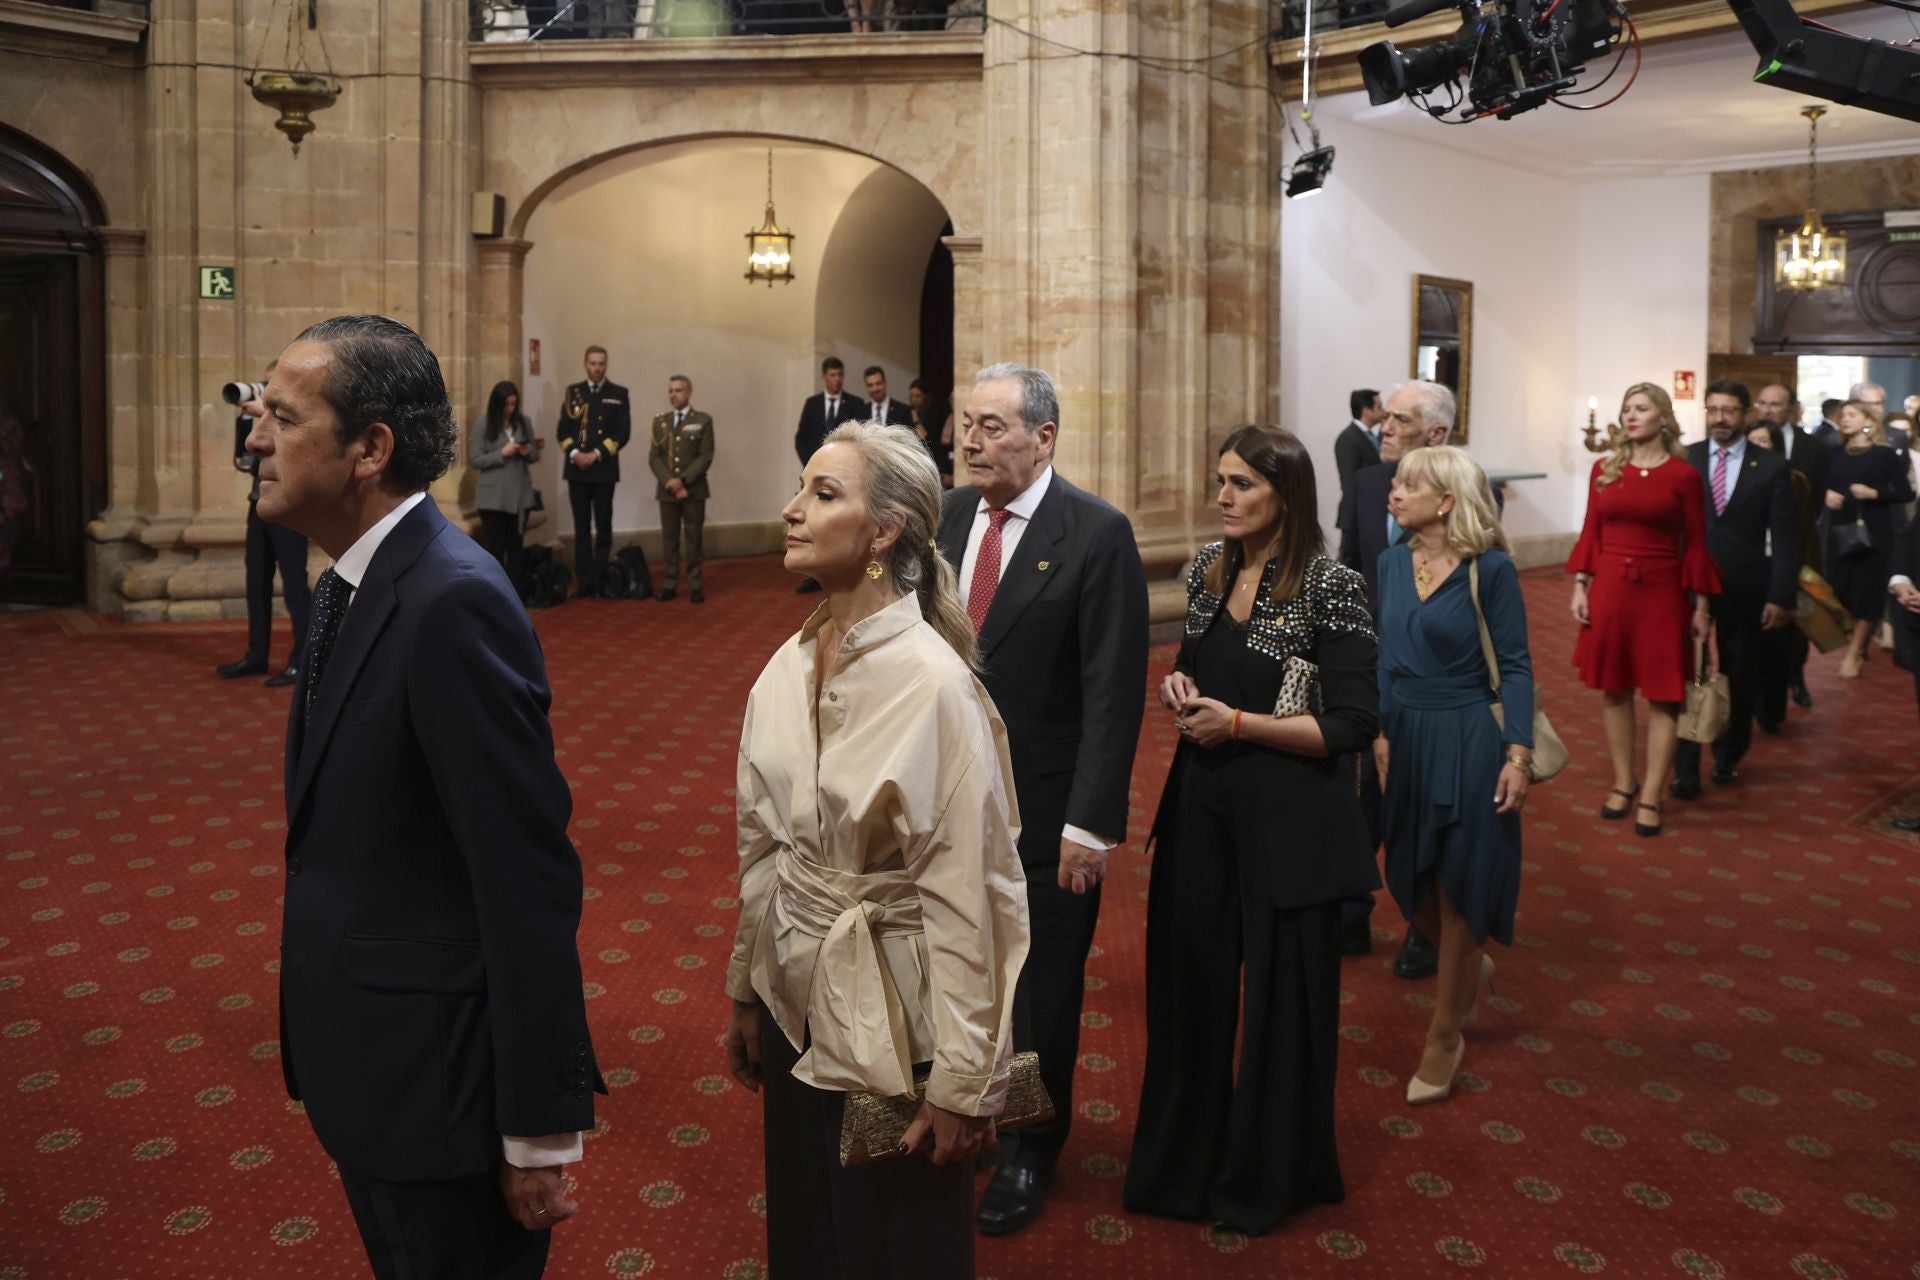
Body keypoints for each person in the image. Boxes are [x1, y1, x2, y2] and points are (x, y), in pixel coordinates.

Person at [250, 315, 601, 1280]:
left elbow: (526, 875)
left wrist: (538, 1125)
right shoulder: (346, 586)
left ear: (370, 450)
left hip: (442, 1091)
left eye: (281, 416)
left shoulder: (452, 600)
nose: (253, 436)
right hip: (375, 1063)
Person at [723, 420, 1029, 1280]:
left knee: (892, 1248)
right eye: (800, 488)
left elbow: (980, 896)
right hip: (795, 1000)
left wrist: (967, 1081)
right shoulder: (788, 662)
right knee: (813, 1235)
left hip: (899, 1023)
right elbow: (761, 849)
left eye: (824, 494)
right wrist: (747, 988)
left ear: (885, 530)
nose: (792, 511)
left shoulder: (935, 686)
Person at [1123, 424, 1378, 1235]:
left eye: (1242, 485)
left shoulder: (1330, 586)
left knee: (1282, 1004)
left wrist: (1236, 723)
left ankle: (1268, 1173)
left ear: (1286, 495)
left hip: (1292, 814)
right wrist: (1184, 692)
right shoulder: (1209, 568)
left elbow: (1350, 723)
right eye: (1220, 481)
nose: (1223, 497)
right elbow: (1194, 664)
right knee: (1189, 985)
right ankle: (1180, 1168)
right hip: (1202, 802)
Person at [935, 363, 1149, 1236]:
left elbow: (1113, 691)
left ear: (1044, 437)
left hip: (1046, 812)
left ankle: (1031, 1148)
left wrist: (1090, 825)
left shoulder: (1096, 534)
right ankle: (967, 1109)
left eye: (992, 427)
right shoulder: (947, 517)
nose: (972, 440)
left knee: (1041, 992)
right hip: (946, 803)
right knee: (959, 972)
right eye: (967, 425)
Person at [1376, 445, 1531, 1104]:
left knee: (1463, 880)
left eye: (1410, 483)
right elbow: (1382, 654)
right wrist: (1380, 731)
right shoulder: (1388, 562)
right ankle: (1469, 967)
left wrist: (1518, 755)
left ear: (1445, 501)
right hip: (1406, 735)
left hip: (1469, 734)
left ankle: (1445, 1034)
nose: (1395, 490)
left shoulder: (1489, 570)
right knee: (1407, 874)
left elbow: (1518, 664)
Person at [1337, 380, 1454, 979]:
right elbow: (1351, 571)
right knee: (1359, 795)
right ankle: (1353, 911)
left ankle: (1425, 926)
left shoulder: (1464, 490)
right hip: (1368, 666)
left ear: (1435, 434)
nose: (1384, 426)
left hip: (1435, 680)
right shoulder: (1365, 484)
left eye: (1400, 420)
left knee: (1422, 802)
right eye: (1385, 416)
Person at [1568, 383, 1720, 838]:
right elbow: (1591, 533)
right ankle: (1623, 782)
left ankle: (1652, 792)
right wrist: (1580, 584)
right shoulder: (1605, 469)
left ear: (1664, 417)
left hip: (1662, 590)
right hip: (1611, 587)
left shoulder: (1683, 476)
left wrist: (1702, 608)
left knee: (1664, 693)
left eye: (1641, 409)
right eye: (1626, 409)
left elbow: (1696, 543)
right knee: (1613, 687)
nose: (1631, 416)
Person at [1671, 381, 1796, 794]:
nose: (1720, 418)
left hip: (1746, 587)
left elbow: (1785, 537)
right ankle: (1685, 769)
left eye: (1728, 410)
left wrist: (1781, 595)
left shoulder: (1772, 466)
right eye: (1712, 410)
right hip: (1688, 587)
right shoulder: (1685, 458)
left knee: (1739, 677)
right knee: (1686, 676)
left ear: (1745, 413)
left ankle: (1728, 757)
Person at [219, 360, 311, 688]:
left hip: (288, 510)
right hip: (258, 506)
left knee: (294, 585)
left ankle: (303, 662)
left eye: (273, 384)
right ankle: (256, 654)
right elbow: (244, 462)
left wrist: (267, 415)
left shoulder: (294, 420)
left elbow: (294, 458)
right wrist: (246, 418)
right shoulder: (257, 419)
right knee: (255, 581)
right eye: (263, 384)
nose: (265, 389)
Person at [1751, 383, 1827, 718]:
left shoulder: (1810, 451)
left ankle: (1791, 680)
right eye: (1762, 403)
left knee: (1793, 631)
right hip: (1752, 561)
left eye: (1775, 404)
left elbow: (1813, 510)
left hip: (1793, 554)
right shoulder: (1741, 450)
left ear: (1792, 408)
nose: (1768, 409)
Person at [1825, 399, 1913, 678]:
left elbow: (1905, 492)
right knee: (1840, 590)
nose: (1845, 419)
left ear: (1869, 421)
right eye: (1843, 415)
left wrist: (1874, 493)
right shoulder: (1834, 452)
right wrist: (1825, 495)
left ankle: (1854, 652)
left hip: (1875, 533)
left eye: (1851, 414)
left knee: (1868, 593)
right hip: (1839, 531)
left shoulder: (1883, 455)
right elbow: (1820, 484)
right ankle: (1859, 641)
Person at [556, 344, 630, 598]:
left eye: (601, 363)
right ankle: (584, 580)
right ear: (585, 364)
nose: (597, 368)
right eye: (593, 363)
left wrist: (595, 454)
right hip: (578, 470)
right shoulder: (573, 392)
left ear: (606, 365)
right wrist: (577, 454)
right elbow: (562, 432)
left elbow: (622, 433)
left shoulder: (618, 393)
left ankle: (601, 580)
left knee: (604, 526)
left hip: (603, 469)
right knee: (582, 528)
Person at [794, 357, 868, 594]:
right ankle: (812, 574)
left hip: (842, 480)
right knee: (810, 525)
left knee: (835, 525)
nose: (837, 379)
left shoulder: (856, 404)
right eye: (832, 375)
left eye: (840, 375)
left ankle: (840, 569)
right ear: (824, 376)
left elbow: (862, 442)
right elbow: (801, 438)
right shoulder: (813, 404)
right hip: (815, 477)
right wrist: (813, 469)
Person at [471, 379, 542, 595]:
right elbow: (475, 459)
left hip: (520, 495)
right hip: (493, 497)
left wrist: (525, 451)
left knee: (516, 547)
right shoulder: (483, 424)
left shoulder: (524, 422)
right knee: (497, 548)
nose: (510, 409)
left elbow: (535, 455)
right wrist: (502, 453)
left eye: (513, 404)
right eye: (506, 405)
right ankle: (497, 595)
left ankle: (516, 594)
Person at [648, 374, 714, 604]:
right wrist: (670, 482)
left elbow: (705, 456)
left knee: (693, 538)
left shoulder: (703, 420)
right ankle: (669, 582)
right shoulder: (661, 422)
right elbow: (654, 457)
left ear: (688, 393)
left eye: (678, 390)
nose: (673, 394)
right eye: (670, 391)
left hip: (694, 491)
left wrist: (683, 482)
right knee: (670, 539)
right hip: (667, 491)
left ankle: (695, 584)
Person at [1333, 387, 1385, 496]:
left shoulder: (1372, 436)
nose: (1384, 411)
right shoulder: (1348, 439)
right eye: (1379, 407)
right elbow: (1349, 483)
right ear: (1367, 410)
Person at [909, 377, 951, 480]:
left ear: (925, 396)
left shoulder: (935, 414)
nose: (914, 400)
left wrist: (917, 421)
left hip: (932, 460)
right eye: (912, 396)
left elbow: (929, 440)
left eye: (918, 396)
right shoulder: (908, 412)